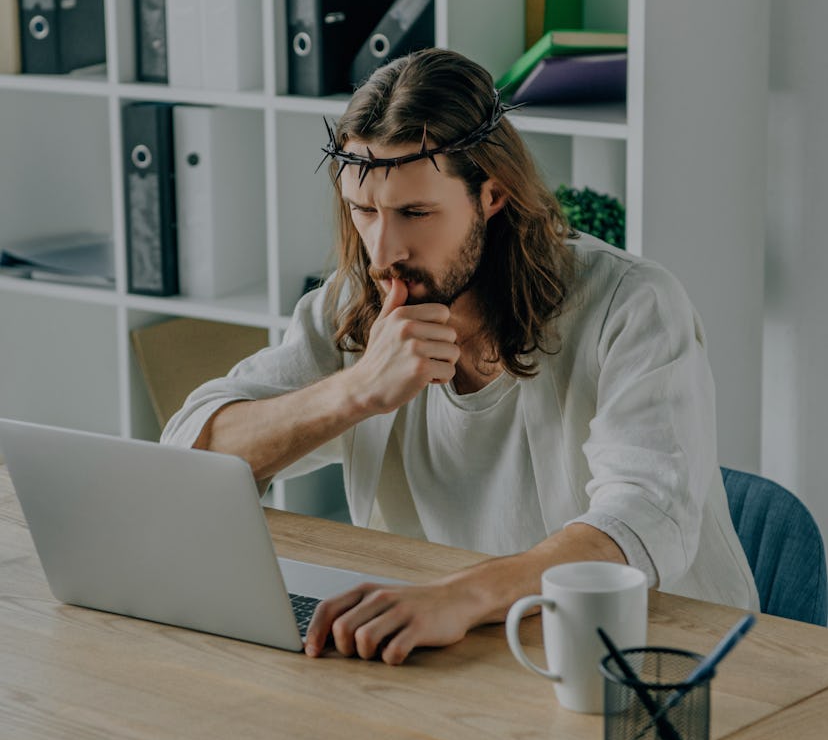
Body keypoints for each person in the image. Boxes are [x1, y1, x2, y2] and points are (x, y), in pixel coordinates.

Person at [162, 48, 759, 665]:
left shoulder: (633, 305)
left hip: (661, 665)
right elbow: (187, 456)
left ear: (492, 195)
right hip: (466, 655)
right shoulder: (351, 305)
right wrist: (355, 391)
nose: (381, 250)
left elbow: (641, 520)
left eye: (415, 213)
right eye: (363, 211)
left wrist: (459, 597)